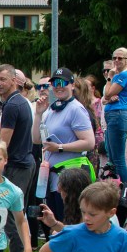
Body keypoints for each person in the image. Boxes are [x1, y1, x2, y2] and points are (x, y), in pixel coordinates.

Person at [32, 68, 96, 221]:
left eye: (63, 83)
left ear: (72, 85)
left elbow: (89, 142)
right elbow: (36, 139)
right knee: (54, 223)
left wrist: (60, 148)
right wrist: (38, 114)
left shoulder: (76, 109)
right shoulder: (52, 109)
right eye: (55, 83)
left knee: (68, 222)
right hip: (53, 179)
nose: (58, 87)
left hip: (70, 180)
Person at [0, 64, 35, 252]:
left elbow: (2, 145)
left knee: (11, 215)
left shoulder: (13, 105)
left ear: (14, 81)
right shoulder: (17, 102)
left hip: (17, 165)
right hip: (24, 163)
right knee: (16, 213)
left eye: (3, 79)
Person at [102, 47, 127, 184]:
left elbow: (107, 94)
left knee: (118, 159)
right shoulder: (119, 76)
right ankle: (116, 186)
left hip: (118, 115)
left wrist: (109, 78)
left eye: (120, 58)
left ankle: (125, 188)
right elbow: (106, 99)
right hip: (113, 115)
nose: (116, 60)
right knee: (111, 157)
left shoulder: (124, 75)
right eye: (114, 58)